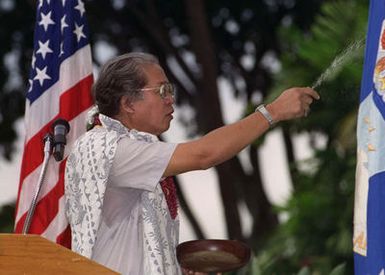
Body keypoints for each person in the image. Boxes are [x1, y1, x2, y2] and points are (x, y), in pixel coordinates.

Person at [64, 52, 320, 275]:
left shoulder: (131, 148)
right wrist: (272, 112)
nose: (170, 99)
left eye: (170, 90)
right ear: (128, 103)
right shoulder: (106, 146)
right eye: (162, 90)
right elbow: (203, 155)